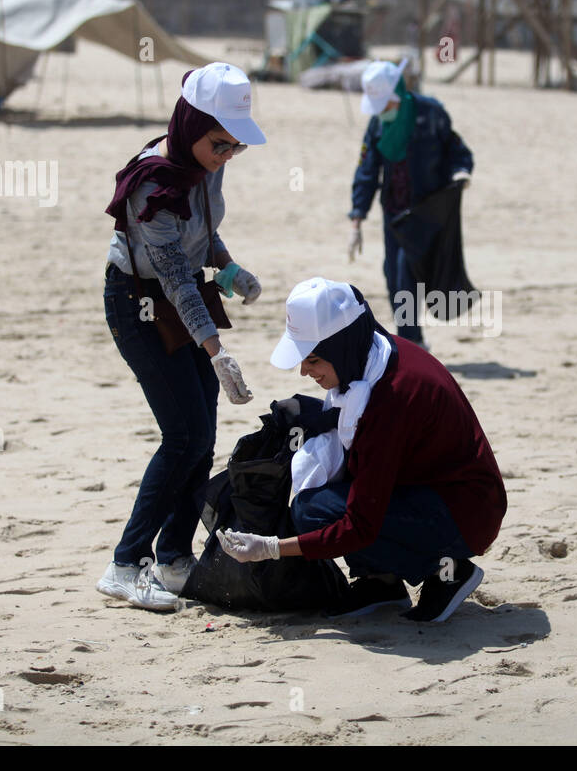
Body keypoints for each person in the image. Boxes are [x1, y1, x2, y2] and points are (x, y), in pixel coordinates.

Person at [217, 277, 507, 624]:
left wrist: (271, 549)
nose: (304, 371)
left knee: (316, 510)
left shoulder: (391, 399)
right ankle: (381, 582)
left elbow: (360, 527)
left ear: (341, 347)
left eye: (312, 359)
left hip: (468, 514)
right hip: (429, 488)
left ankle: (449, 570)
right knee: (320, 502)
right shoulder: (373, 355)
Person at [98, 63, 266, 612]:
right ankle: (126, 564)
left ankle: (174, 559)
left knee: (204, 435)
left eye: (236, 148)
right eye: (221, 145)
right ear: (191, 124)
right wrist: (218, 352)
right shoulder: (153, 182)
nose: (227, 158)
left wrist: (228, 266)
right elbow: (170, 275)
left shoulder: (204, 163)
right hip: (140, 303)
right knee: (182, 436)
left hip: (185, 294)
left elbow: (202, 234)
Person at [348, 59, 474, 347]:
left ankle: (411, 342)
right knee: (393, 275)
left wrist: (461, 171)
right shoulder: (378, 124)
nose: (383, 111)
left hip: (427, 211)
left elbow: (457, 149)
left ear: (399, 95)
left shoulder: (431, 113)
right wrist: (357, 218)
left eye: (387, 105)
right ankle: (414, 340)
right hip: (394, 214)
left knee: (407, 272)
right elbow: (367, 170)